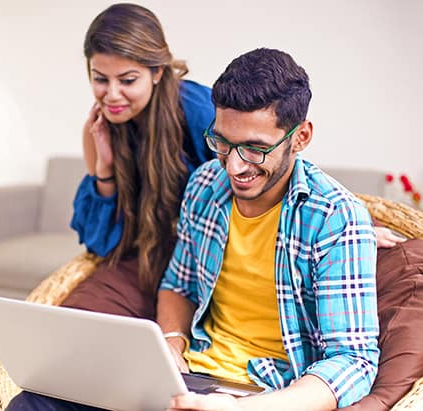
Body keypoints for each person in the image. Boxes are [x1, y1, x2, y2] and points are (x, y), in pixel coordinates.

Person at [6, 3, 214, 410]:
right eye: (100, 79)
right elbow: (101, 243)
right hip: (143, 260)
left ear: (158, 71)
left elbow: (264, 174)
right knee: (69, 350)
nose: (112, 95)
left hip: (202, 266)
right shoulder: (103, 126)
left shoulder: (199, 110)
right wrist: (103, 168)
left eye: (128, 80)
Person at [159, 48, 380, 411]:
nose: (233, 166)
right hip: (192, 375)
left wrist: (239, 408)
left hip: (265, 391)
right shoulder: (204, 184)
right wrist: (171, 342)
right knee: (43, 399)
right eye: (223, 143)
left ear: (301, 137)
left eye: (254, 148)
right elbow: (178, 285)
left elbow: (353, 362)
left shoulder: (334, 217)